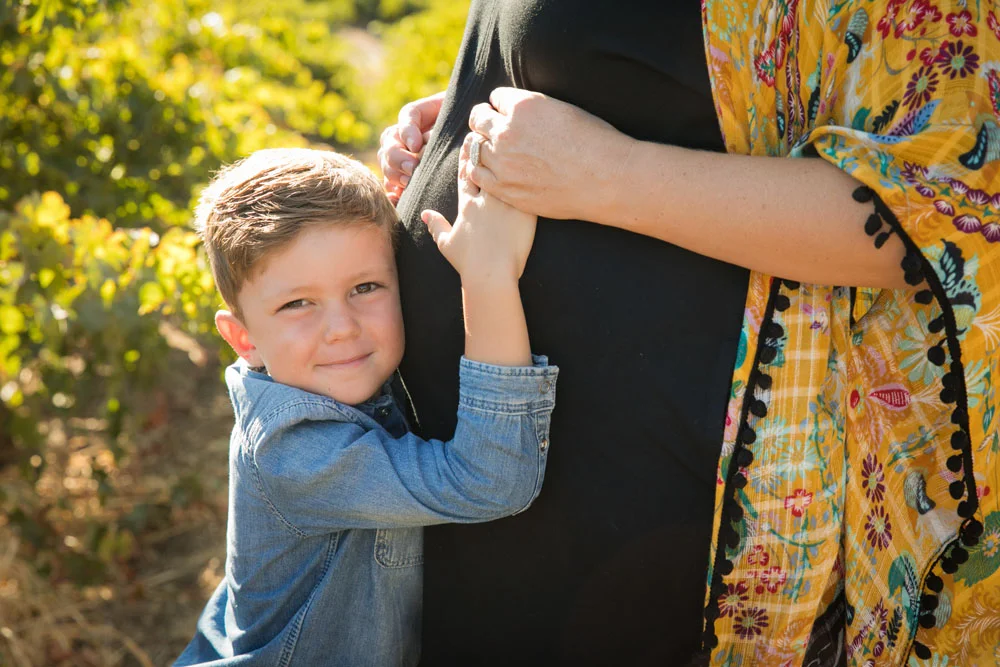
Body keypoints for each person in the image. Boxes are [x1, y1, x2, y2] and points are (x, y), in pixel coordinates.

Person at [380, 1, 999, 665]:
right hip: (472, 480)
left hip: (645, 512)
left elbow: (954, 198)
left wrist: (606, 173)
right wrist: (475, 107)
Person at [174, 148, 558, 666]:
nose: (342, 328)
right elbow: (492, 481)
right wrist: (488, 275)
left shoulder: (321, 377)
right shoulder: (296, 451)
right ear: (244, 339)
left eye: (365, 287)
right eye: (297, 303)